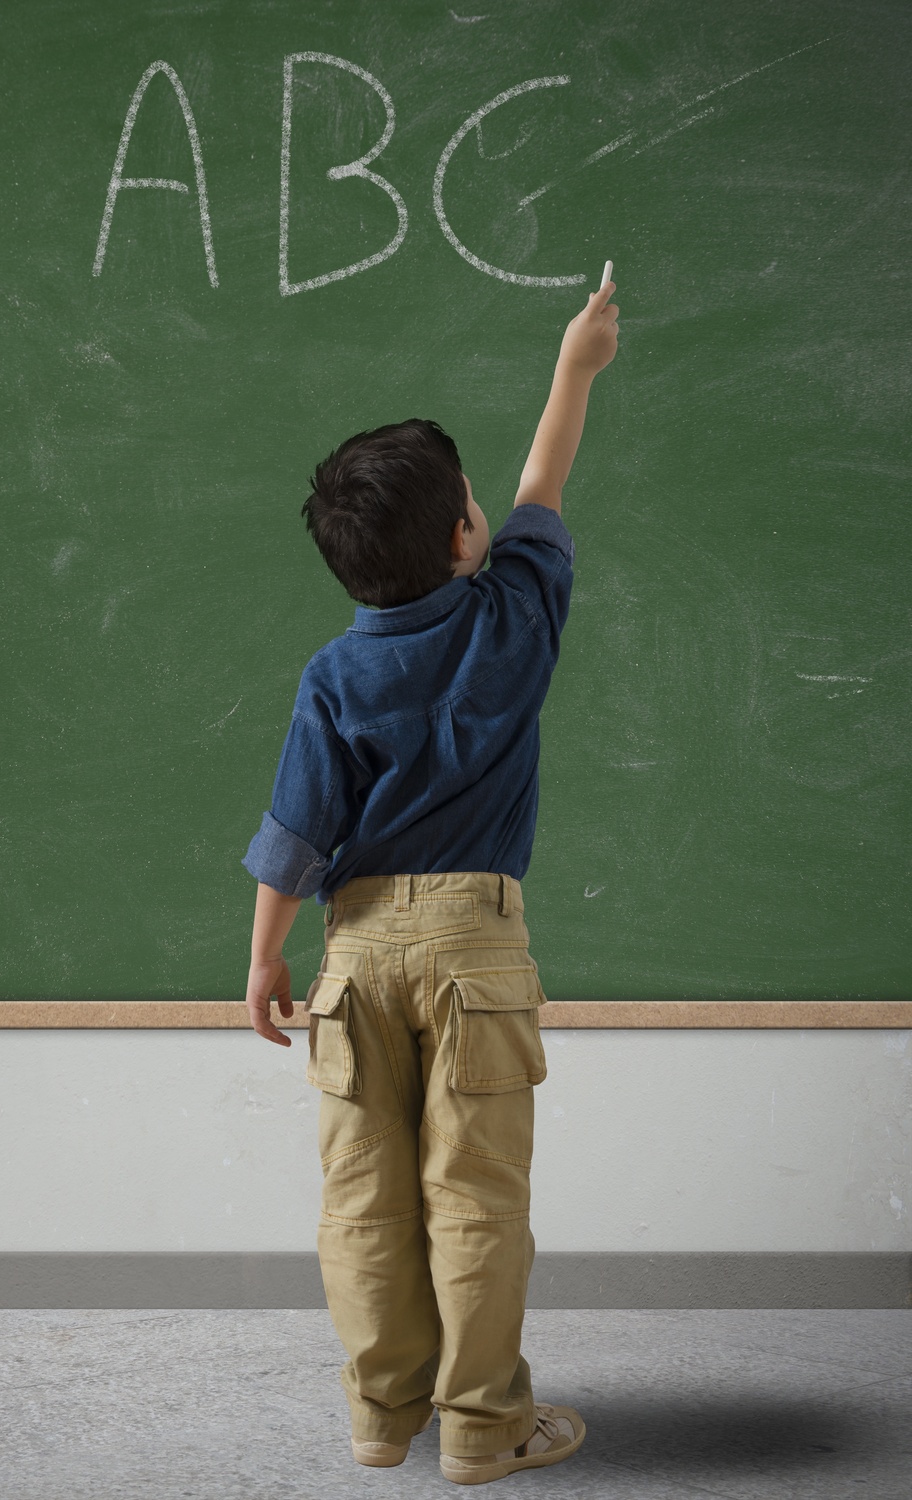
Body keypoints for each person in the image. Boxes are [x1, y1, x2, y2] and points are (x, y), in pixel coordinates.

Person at [240, 281, 620, 1485]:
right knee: (473, 1202)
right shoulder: (514, 617)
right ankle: (480, 1428)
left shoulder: (330, 674)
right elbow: (541, 489)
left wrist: (263, 960)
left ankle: (378, 1421)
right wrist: (576, 367)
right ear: (466, 539)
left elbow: (295, 830)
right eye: (471, 506)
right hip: (475, 949)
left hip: (351, 955)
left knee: (361, 1202)